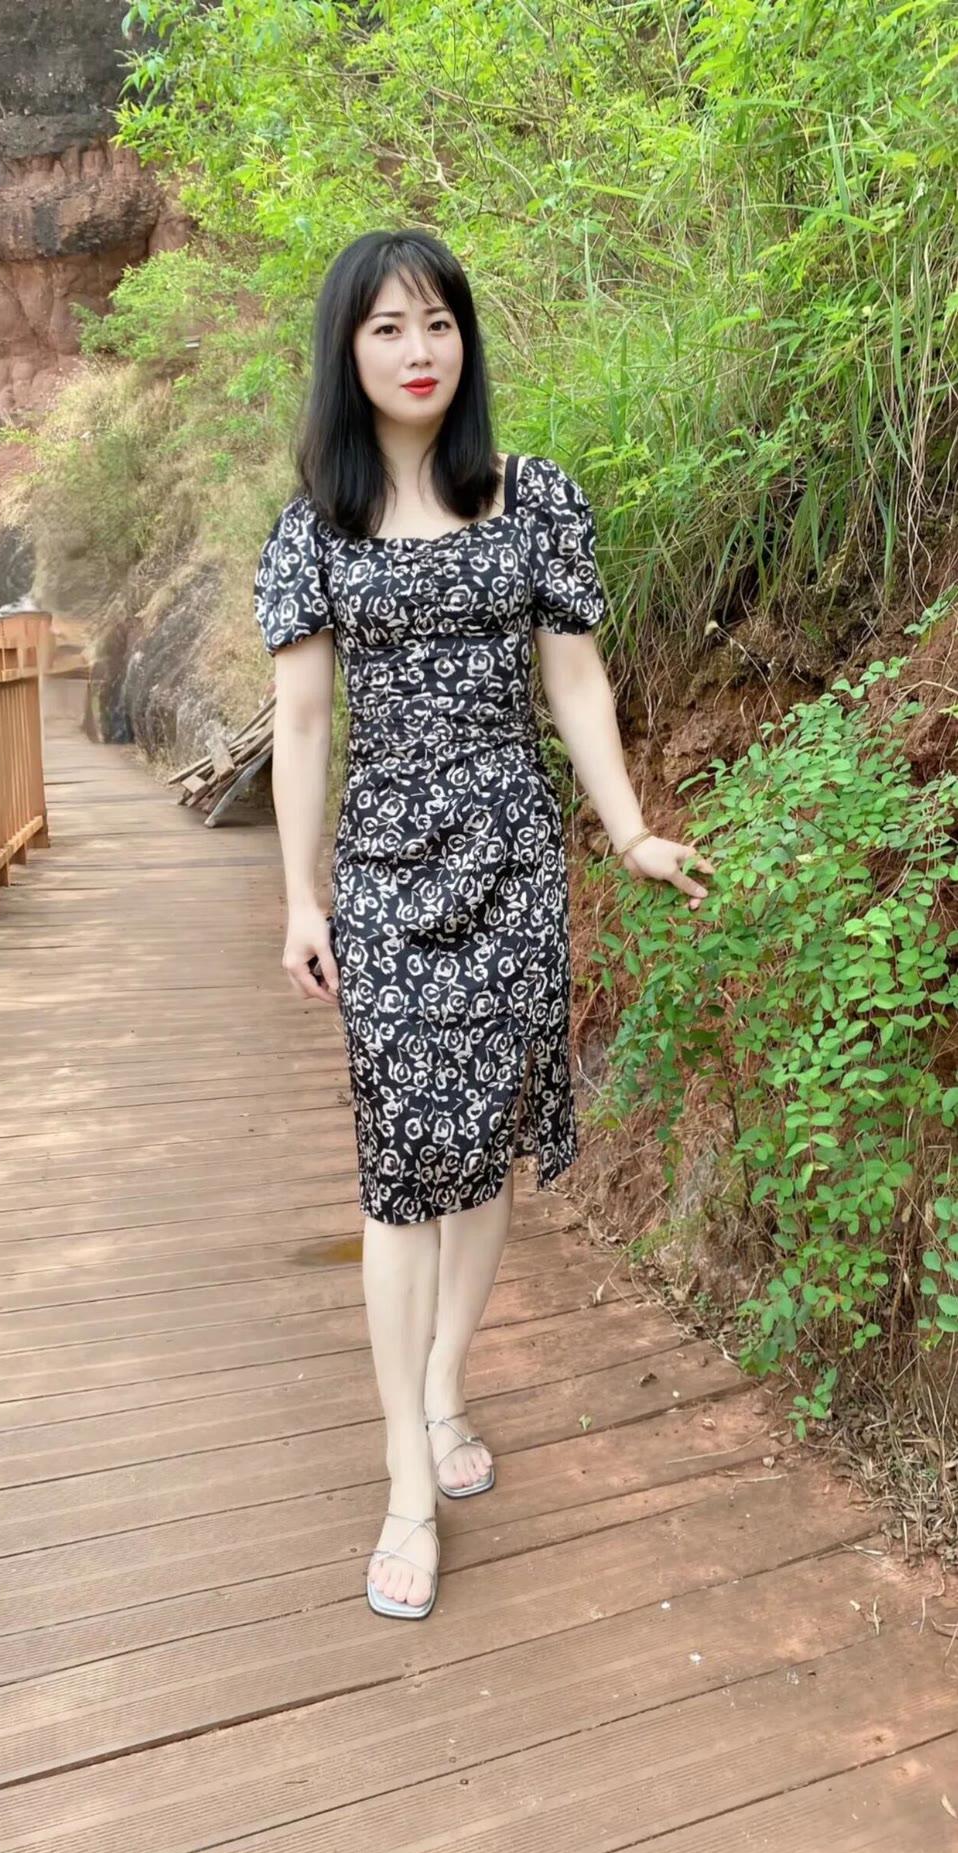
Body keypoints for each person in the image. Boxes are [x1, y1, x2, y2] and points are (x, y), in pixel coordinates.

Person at [254, 227, 714, 1621]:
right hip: (387, 876)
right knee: (404, 1164)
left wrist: (626, 828)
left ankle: (449, 1382)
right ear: (347, 353)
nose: (419, 352)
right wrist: (301, 897)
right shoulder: (312, 530)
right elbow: (303, 725)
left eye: (439, 323)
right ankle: (407, 1470)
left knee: (483, 1142)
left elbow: (575, 683)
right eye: (388, 328)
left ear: (467, 339)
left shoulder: (536, 498)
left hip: (514, 862)